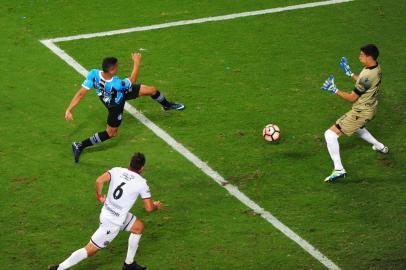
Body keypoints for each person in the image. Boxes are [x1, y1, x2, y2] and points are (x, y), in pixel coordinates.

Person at [48, 152, 161, 270]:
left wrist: (99, 196)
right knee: (90, 249)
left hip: (109, 213)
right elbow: (148, 208)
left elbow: (99, 181)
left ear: (129, 163)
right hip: (112, 223)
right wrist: (156, 206)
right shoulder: (141, 183)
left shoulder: (117, 170)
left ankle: (129, 264)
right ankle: (59, 268)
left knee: (138, 227)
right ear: (142, 168)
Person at [65, 53, 185, 162]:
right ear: (111, 70)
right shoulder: (117, 83)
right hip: (115, 104)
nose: (118, 67)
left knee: (151, 90)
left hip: (115, 93)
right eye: (116, 66)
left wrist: (69, 109)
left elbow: (81, 93)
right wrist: (136, 62)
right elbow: (133, 79)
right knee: (111, 133)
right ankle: (80, 145)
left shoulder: (93, 73)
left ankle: (167, 105)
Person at [321, 44, 388, 182]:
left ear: (369, 57)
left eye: (362, 54)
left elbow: (352, 97)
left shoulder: (368, 74)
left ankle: (339, 169)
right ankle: (381, 147)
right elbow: (364, 82)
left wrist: (334, 89)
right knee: (358, 128)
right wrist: (350, 73)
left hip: (361, 111)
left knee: (330, 134)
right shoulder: (376, 68)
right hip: (371, 108)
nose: (359, 56)